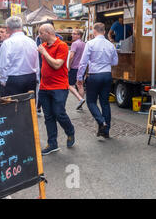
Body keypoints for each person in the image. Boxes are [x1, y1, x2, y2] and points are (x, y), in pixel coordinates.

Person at [37, 24, 75, 155]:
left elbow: (57, 65)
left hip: (59, 87)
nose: (39, 36)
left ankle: (70, 131)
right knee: (48, 117)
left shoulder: (62, 45)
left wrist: (44, 53)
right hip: (44, 87)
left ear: (48, 33)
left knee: (59, 113)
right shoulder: (45, 47)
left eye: (41, 33)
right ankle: (52, 144)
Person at [77, 23, 118, 139]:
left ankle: (101, 122)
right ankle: (106, 131)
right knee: (105, 102)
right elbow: (115, 62)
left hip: (94, 75)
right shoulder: (111, 45)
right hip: (107, 75)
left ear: (94, 31)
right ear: (104, 32)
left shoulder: (90, 43)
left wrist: (79, 77)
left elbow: (83, 62)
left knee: (91, 102)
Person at [0, 16, 39, 97]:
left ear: (8, 28)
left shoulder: (7, 43)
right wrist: (37, 77)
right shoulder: (32, 42)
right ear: (21, 26)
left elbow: (3, 65)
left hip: (13, 79)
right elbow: (36, 61)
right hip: (30, 77)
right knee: (28, 105)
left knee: (12, 106)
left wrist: (3, 80)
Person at [68, 29, 86, 110]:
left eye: (74, 34)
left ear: (79, 35)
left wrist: (68, 66)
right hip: (82, 67)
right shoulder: (84, 44)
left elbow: (71, 56)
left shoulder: (74, 44)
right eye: (72, 34)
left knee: (69, 85)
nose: (72, 35)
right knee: (80, 85)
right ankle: (80, 105)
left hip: (74, 67)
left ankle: (80, 98)